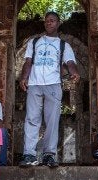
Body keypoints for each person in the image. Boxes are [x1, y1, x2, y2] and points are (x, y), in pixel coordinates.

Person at [18, 11, 80, 168]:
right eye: (46, 21)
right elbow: (28, 61)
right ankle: (29, 154)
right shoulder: (34, 42)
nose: (49, 23)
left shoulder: (63, 45)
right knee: (32, 118)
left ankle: (49, 155)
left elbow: (70, 62)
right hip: (34, 84)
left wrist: (74, 72)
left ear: (58, 23)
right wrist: (24, 78)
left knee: (52, 120)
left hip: (53, 84)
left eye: (52, 21)